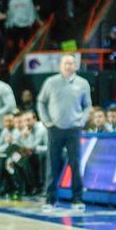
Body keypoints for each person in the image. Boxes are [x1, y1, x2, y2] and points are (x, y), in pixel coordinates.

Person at [37, 54, 91, 213]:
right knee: (52, 164)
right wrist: (46, 121)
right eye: (66, 63)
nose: (68, 66)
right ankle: (50, 199)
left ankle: (77, 199)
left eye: (71, 63)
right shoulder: (51, 82)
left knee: (75, 163)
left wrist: (82, 121)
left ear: (76, 66)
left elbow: (88, 105)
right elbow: (41, 102)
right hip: (55, 129)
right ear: (60, 66)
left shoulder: (83, 84)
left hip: (74, 129)